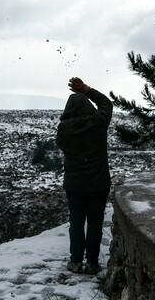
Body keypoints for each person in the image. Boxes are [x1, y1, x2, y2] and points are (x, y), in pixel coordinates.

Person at [56, 77, 113, 275]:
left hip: (75, 184)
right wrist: (87, 90)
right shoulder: (98, 122)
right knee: (95, 222)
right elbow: (106, 103)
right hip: (99, 183)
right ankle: (92, 263)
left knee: (77, 221)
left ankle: (75, 261)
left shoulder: (64, 129)